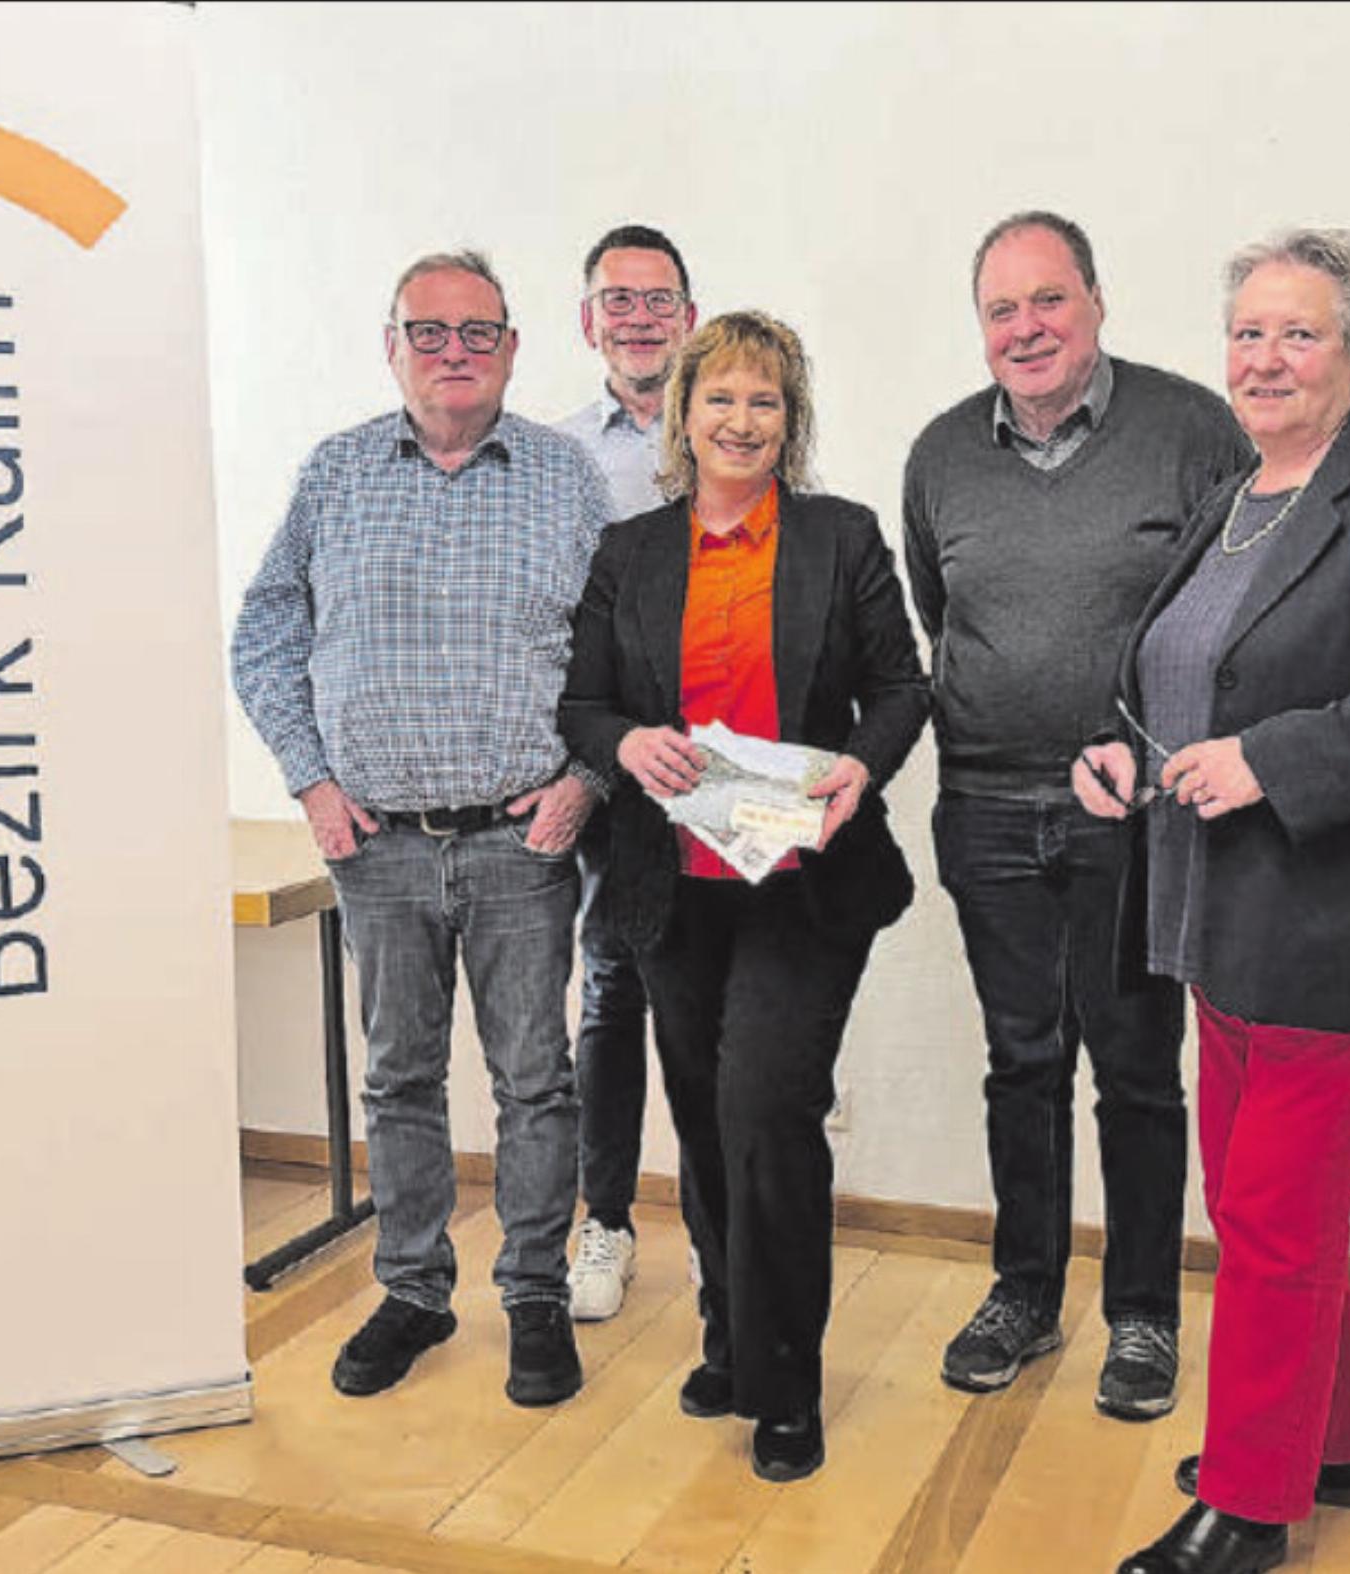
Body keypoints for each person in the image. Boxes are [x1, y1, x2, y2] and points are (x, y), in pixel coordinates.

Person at [1075, 228, 1350, 1574]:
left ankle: (1255, 1505)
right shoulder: (1234, 494)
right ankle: (1339, 1441)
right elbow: (1183, 681)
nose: (1265, 358)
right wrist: (1122, 749)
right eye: (1248, 333)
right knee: (1269, 1206)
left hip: (1345, 924)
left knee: (1269, 1216)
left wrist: (1271, 761)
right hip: (1217, 914)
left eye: (1300, 333)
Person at [232, 249, 612, 1410]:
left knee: (535, 1080)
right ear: (388, 343)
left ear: (512, 347)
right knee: (398, 1079)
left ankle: (535, 1295)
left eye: (478, 332)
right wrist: (310, 780)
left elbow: (631, 646)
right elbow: (261, 635)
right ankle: (413, 1289)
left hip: (520, 842)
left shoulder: (567, 477)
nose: (455, 352)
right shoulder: (336, 472)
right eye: (429, 331)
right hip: (378, 845)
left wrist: (588, 778)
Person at [559, 311, 929, 1482]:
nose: (742, 421)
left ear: (791, 417)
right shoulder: (630, 553)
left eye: (765, 401)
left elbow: (901, 688)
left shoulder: (842, 536)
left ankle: (786, 1380)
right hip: (676, 885)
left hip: (803, 880)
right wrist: (627, 745)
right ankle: (728, 1328)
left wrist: (861, 765)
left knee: (768, 1108)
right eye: (720, 398)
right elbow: (582, 702)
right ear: (682, 414)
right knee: (706, 1111)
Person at [902, 211, 1253, 1419]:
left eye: (1048, 301)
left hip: (1135, 810)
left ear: (1096, 303)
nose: (1026, 328)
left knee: (1139, 1071)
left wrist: (1152, 753)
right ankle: (1023, 1293)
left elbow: (1236, 609)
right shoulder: (942, 452)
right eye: (1001, 310)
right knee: (1022, 1061)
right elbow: (936, 605)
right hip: (987, 807)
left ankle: (1145, 1312)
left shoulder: (1189, 430)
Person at [555, 224, 699, 1322]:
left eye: (658, 299)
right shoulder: (557, 458)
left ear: (688, 316)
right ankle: (605, 1220)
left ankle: (720, 1223)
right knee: (611, 995)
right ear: (588, 321)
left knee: (720, 1005)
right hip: (611, 770)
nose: (639, 317)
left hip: (724, 767)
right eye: (619, 300)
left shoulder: (737, 426)